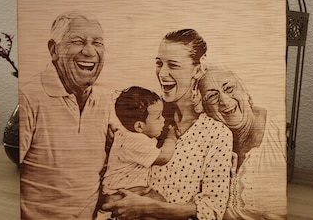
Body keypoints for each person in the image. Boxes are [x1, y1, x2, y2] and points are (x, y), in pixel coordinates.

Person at [102, 29, 233, 220]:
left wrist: (148, 208)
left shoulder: (216, 134)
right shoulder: (144, 120)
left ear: (197, 70)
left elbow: (212, 208)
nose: (163, 73)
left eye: (173, 65)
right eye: (159, 63)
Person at [20, 11, 112, 219]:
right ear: (54, 49)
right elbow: (6, 174)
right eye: (78, 41)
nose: (90, 51)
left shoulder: (106, 101)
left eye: (97, 43)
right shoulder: (28, 98)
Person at [199, 65, 287, 220]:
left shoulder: (278, 131)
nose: (225, 101)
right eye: (212, 96)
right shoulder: (208, 143)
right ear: (205, 109)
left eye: (230, 88)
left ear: (245, 90)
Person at [99, 86, 177, 219]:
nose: (163, 120)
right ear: (139, 126)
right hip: (121, 192)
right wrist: (172, 136)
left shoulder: (126, 135)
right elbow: (163, 157)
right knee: (158, 202)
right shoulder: (136, 140)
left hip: (117, 189)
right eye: (158, 117)